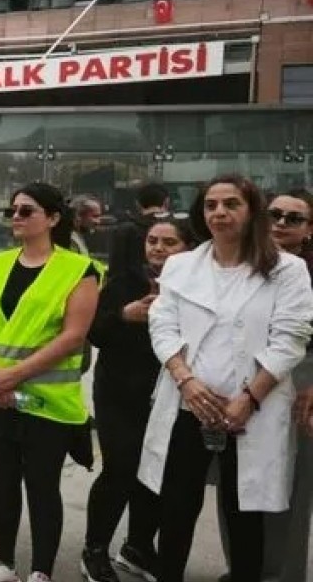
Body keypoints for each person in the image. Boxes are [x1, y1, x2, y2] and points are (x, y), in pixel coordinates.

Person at [138, 175, 313, 582]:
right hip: (187, 405)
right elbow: (162, 325)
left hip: (251, 411)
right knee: (177, 510)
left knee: (244, 516)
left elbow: (290, 339)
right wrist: (186, 381)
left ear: (251, 210)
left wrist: (249, 399)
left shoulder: (287, 270)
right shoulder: (181, 266)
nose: (219, 212)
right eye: (211, 205)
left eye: (231, 203)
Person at [0, 182, 100, 582]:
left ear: (53, 218)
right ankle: (2, 562)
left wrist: (13, 376)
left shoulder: (79, 270)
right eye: (13, 211)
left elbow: (73, 335)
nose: (17, 218)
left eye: (27, 211)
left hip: (47, 401)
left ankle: (41, 571)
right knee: (2, 481)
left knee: (42, 487)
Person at [80, 217, 195, 582]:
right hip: (118, 391)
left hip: (167, 393)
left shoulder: (194, 286)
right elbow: (93, 332)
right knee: (120, 470)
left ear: (187, 249)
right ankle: (94, 550)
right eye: (153, 241)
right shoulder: (122, 283)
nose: (158, 248)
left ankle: (138, 548)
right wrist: (123, 316)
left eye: (169, 242)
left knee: (155, 473)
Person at [257, 189, 313, 582]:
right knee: (242, 479)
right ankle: (244, 567)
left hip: (303, 376)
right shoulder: (245, 263)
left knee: (292, 484)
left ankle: (284, 575)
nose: (281, 223)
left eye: (294, 218)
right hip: (247, 375)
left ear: (309, 229)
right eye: (274, 214)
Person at [109, 183, 170, 277]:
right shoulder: (177, 228)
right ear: (166, 202)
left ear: (137, 204)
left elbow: (116, 269)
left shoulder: (124, 230)